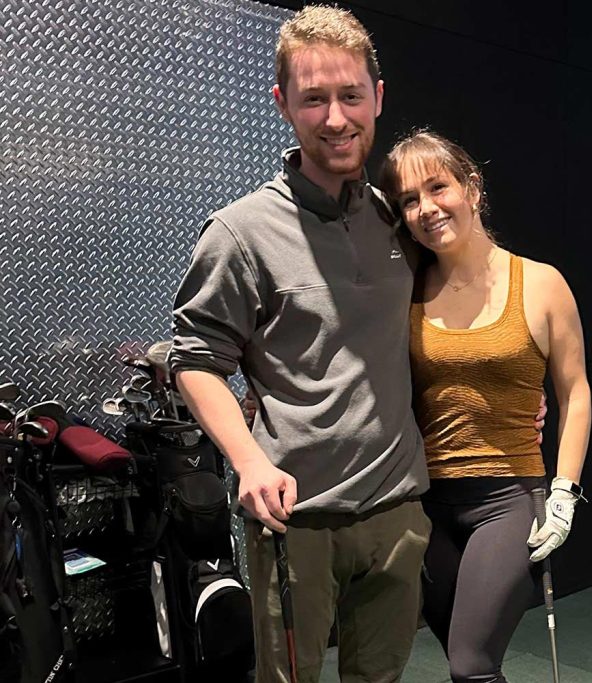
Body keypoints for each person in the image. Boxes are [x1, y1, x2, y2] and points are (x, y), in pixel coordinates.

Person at [169, 7, 431, 682]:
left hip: (396, 510)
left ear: (378, 97)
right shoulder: (241, 231)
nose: (336, 118)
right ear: (283, 104)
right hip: (295, 519)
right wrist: (248, 461)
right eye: (314, 99)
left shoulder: (396, 220)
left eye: (350, 95)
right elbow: (195, 360)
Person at [378, 131, 592, 683]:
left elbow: (574, 393)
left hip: (508, 498)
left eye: (438, 187)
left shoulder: (540, 284)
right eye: (409, 199)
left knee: (470, 665)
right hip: (424, 503)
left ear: (472, 188)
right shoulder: (403, 291)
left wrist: (565, 492)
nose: (426, 208)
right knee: (462, 656)